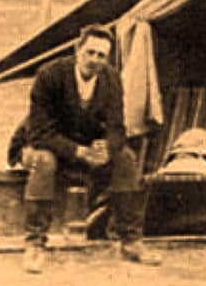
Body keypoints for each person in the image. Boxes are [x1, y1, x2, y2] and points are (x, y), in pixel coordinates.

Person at [21, 24, 161, 273]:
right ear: (77, 50)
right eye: (90, 53)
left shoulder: (111, 78)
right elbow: (38, 132)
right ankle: (35, 244)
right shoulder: (50, 75)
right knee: (44, 162)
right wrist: (78, 151)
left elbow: (118, 127)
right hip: (42, 144)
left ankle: (130, 240)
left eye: (101, 55)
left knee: (126, 158)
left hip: (85, 146)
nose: (94, 60)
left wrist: (106, 148)